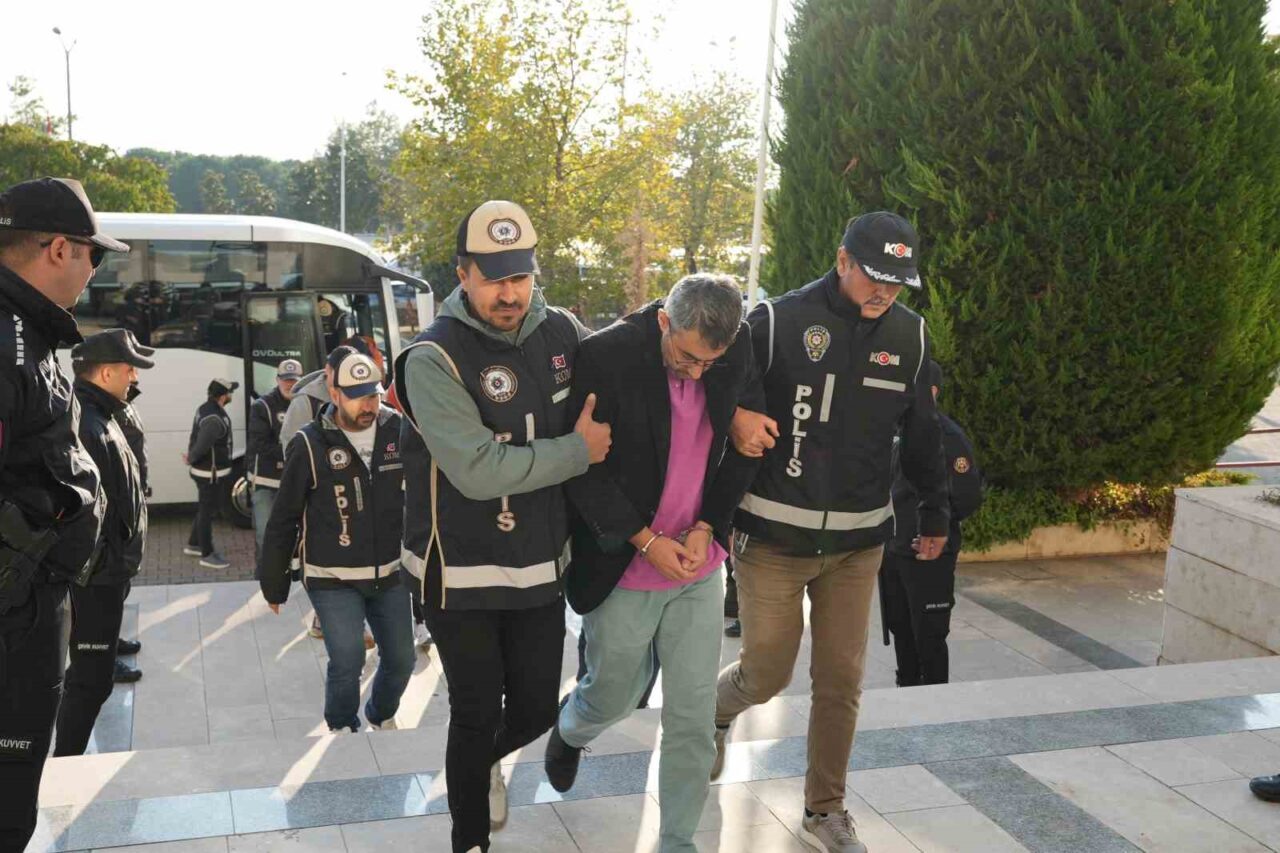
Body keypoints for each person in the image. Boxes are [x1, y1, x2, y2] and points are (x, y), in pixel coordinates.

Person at [713, 212, 950, 853]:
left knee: (841, 682)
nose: (885, 292)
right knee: (767, 674)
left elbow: (923, 432)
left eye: (897, 282)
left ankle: (825, 810)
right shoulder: (774, 322)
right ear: (842, 260)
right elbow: (713, 392)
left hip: (857, 544)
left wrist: (934, 512)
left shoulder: (910, 335)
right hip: (772, 539)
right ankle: (718, 711)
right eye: (874, 276)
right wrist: (736, 417)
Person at [394, 200, 611, 853]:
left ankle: (482, 759)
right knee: (475, 711)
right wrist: (577, 451)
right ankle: (469, 840)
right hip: (458, 572)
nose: (510, 293)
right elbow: (477, 470)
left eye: (520, 276)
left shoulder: (562, 331)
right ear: (463, 274)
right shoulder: (431, 357)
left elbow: (627, 373)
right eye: (493, 279)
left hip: (539, 563)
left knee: (538, 708)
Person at [544, 274, 759, 851]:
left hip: (698, 566)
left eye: (710, 363)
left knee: (692, 716)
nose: (698, 373)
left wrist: (708, 526)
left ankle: (677, 841)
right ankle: (572, 727)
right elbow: (583, 471)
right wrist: (647, 541)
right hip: (626, 563)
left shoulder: (734, 345)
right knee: (616, 695)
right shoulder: (606, 355)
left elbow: (747, 447)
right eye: (687, 358)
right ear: (665, 320)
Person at [0, 176, 125, 849]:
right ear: (57, 249)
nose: (94, 268)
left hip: (30, 609)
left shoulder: (30, 331)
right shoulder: (7, 340)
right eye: (93, 253)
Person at [259, 348, 415, 732]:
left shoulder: (398, 429)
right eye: (357, 396)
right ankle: (342, 725)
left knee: (402, 661)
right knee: (348, 660)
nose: (369, 405)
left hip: (392, 572)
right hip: (332, 577)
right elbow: (284, 518)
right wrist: (274, 583)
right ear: (335, 394)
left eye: (374, 394)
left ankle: (379, 714)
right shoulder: (309, 444)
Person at [54, 329, 153, 755]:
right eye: (129, 368)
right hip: (96, 579)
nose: (135, 376)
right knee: (90, 681)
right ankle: (65, 764)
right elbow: (81, 512)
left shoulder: (104, 414)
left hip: (107, 573)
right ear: (106, 373)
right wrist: (101, 566)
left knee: (92, 678)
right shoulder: (88, 425)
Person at [879, 360, 983, 686]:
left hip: (928, 556)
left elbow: (967, 497)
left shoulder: (947, 436)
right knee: (900, 627)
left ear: (932, 391)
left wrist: (932, 529)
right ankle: (908, 689)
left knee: (929, 635)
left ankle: (936, 700)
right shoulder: (896, 431)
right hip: (894, 551)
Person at [247, 358, 302, 575]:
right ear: (277, 379)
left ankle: (291, 574)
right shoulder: (262, 406)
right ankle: (264, 576)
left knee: (295, 533)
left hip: (295, 482)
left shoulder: (306, 404)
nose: (290, 384)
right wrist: (295, 451)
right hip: (266, 482)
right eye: (285, 380)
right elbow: (259, 444)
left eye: (294, 380)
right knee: (265, 534)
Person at [184, 378, 238, 570]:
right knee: (207, 513)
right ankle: (207, 554)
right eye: (230, 392)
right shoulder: (214, 418)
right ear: (223, 396)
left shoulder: (205, 408)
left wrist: (192, 457)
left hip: (207, 472)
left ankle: (194, 544)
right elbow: (203, 443)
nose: (231, 395)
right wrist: (191, 457)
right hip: (209, 474)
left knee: (205, 508)